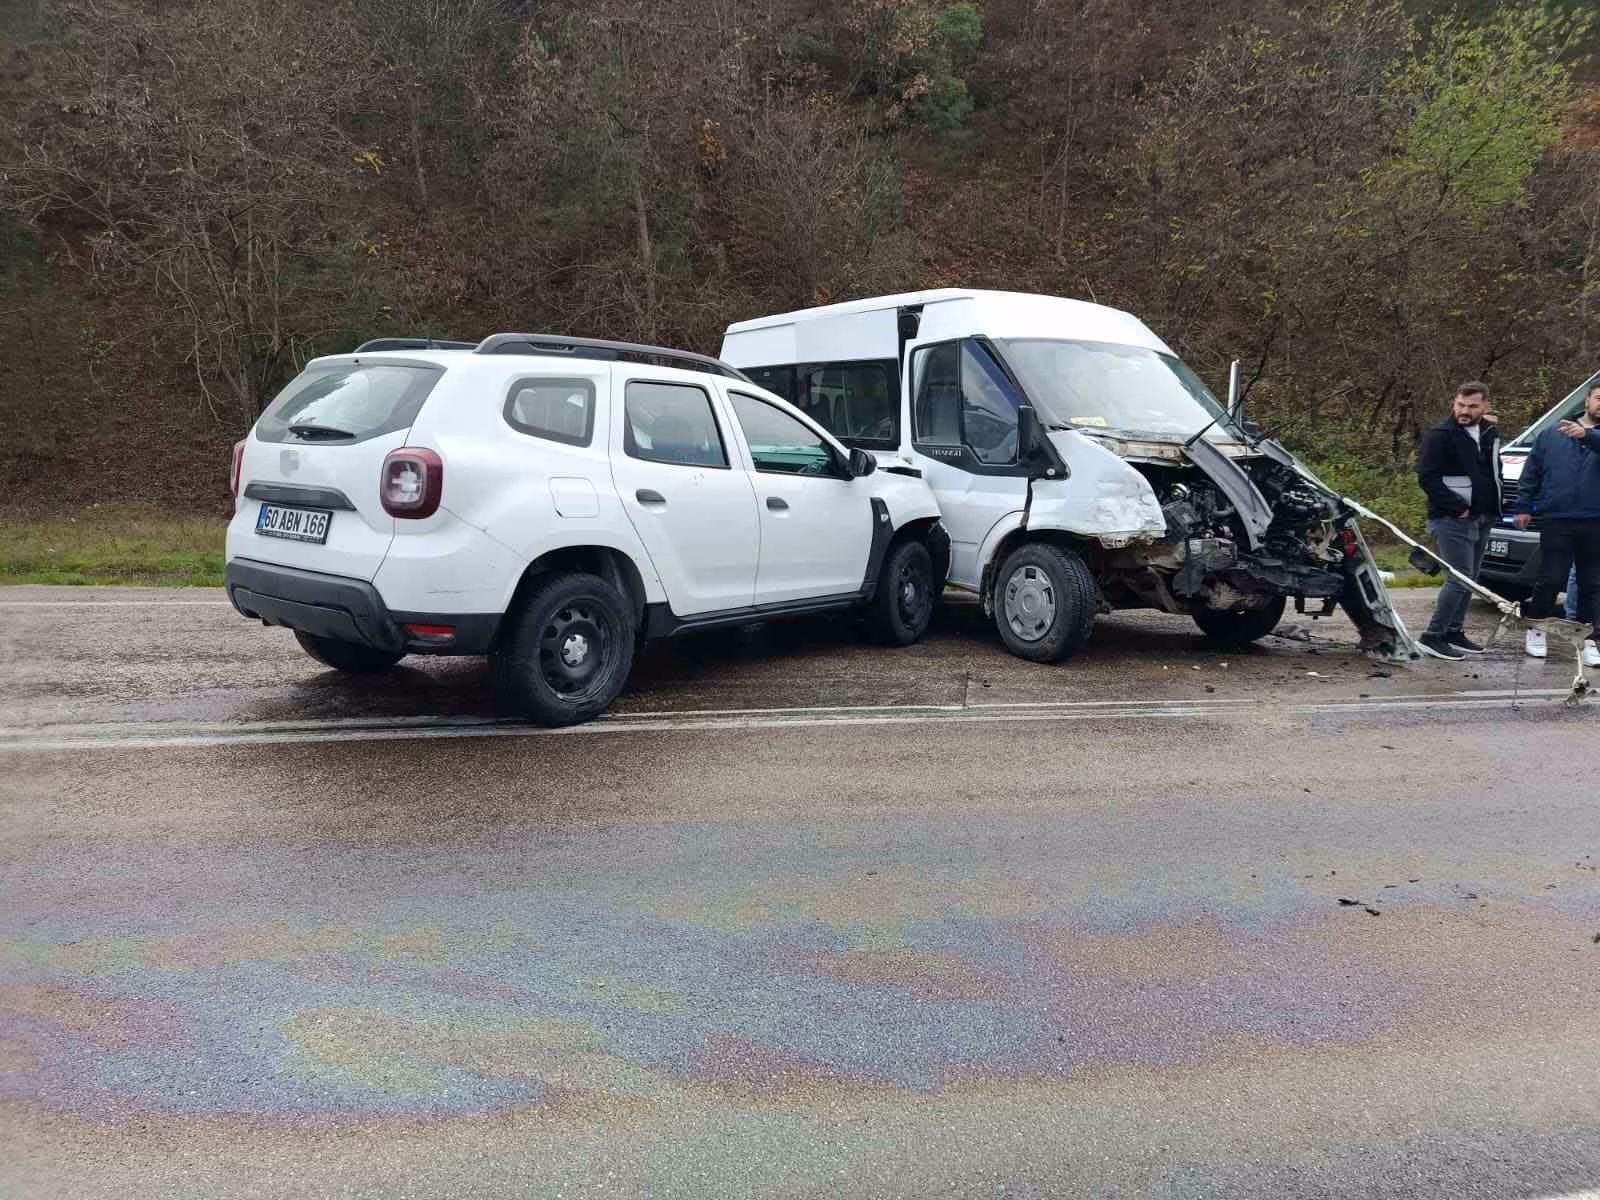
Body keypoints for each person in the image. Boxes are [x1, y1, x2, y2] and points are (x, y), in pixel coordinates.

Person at [1514, 382, 1600, 665]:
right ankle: (1536, 629)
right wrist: (1524, 506)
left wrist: (1587, 436)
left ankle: (1588, 639)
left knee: (1592, 583)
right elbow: (1532, 472)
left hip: (1595, 520)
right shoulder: (1551, 434)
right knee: (1551, 578)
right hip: (1557, 517)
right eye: (1599, 398)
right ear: (1587, 401)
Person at [1415, 382, 1502, 659]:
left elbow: (1491, 471)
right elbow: (1426, 477)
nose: (1464, 411)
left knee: (1471, 579)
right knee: (1459, 578)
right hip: (1452, 519)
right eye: (1460, 405)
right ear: (1454, 403)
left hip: (1483, 515)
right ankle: (1433, 635)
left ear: (1485, 406)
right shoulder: (1440, 435)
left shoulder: (1488, 432)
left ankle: (1454, 630)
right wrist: (1457, 508)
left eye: (1472, 406)